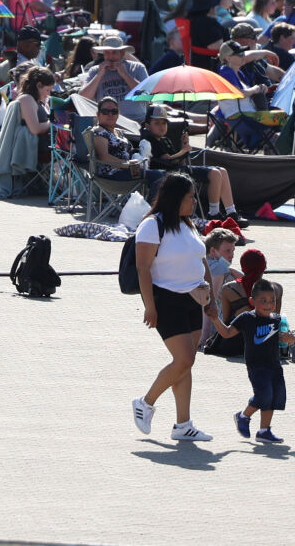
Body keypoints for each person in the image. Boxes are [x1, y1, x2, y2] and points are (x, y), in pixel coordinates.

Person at [132, 172, 215, 442]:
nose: (194, 201)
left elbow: (202, 262)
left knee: (185, 365)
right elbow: (142, 268)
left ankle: (183, 425)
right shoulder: (152, 225)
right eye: (190, 197)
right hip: (166, 300)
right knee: (184, 359)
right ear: (176, 198)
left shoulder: (188, 225)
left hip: (193, 300)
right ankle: (145, 402)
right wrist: (149, 306)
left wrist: (211, 296)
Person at [209, 280, 293, 444]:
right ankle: (243, 416)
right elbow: (226, 333)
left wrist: (290, 340)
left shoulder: (277, 320)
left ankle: (264, 431)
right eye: (263, 301)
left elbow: (287, 340)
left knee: (274, 396)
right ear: (252, 301)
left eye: (272, 300)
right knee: (263, 395)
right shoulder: (246, 318)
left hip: (274, 365)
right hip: (257, 366)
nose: (269, 304)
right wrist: (214, 319)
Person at [0, 67, 57, 199]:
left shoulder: (34, 100)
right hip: (37, 145)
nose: (48, 94)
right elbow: (34, 128)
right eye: (47, 90)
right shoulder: (27, 99)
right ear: (38, 85)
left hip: (39, 143)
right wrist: (52, 124)